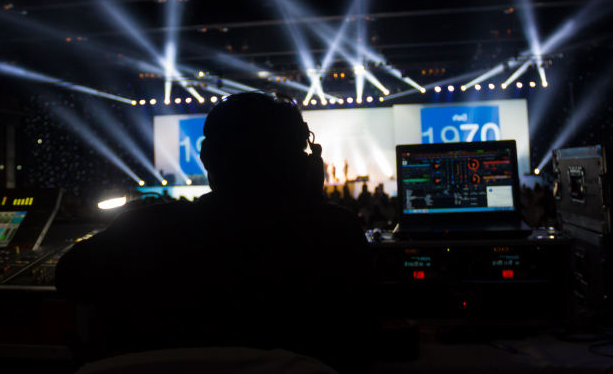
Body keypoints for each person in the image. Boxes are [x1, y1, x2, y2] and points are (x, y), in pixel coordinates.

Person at [55, 92, 377, 373]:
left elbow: (70, 279)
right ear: (304, 164)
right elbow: (360, 338)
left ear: (206, 158)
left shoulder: (143, 228)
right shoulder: (335, 231)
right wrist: (311, 201)